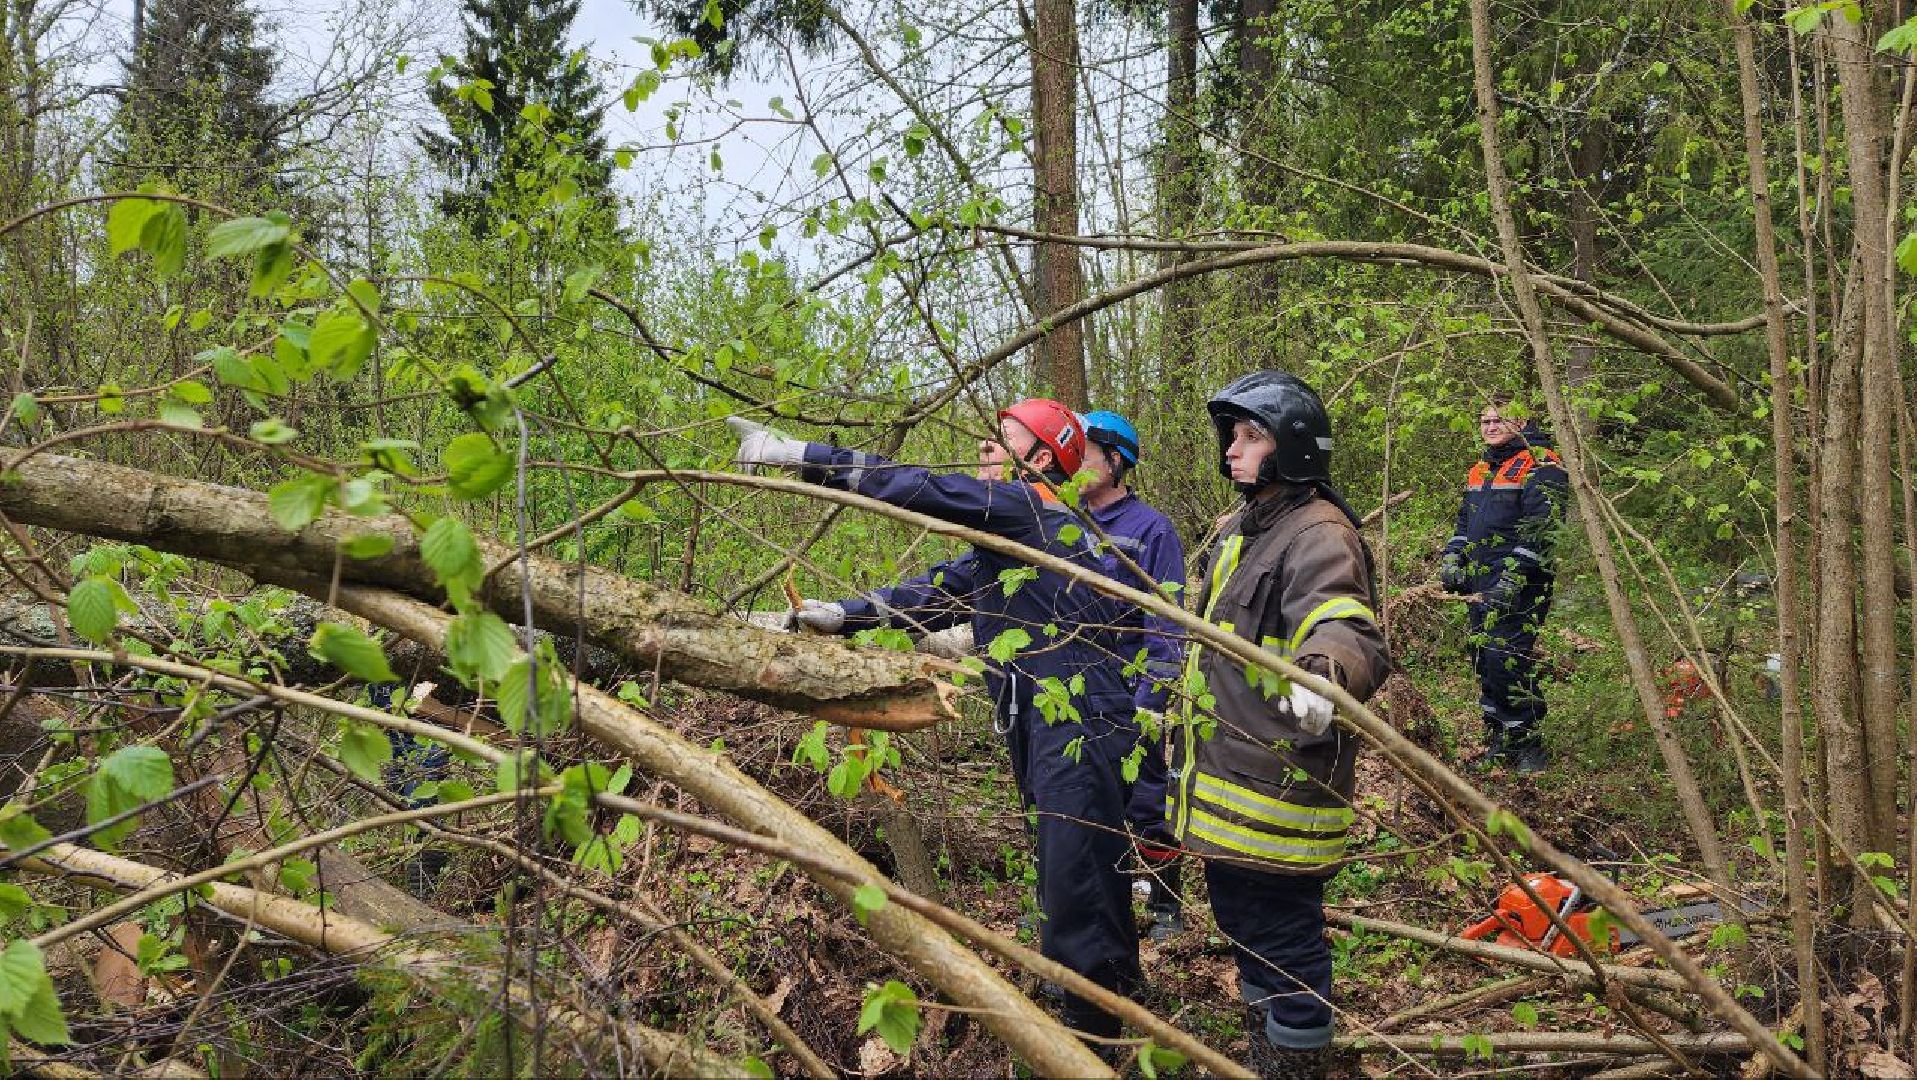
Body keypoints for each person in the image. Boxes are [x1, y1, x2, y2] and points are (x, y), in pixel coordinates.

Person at [727, 400, 1144, 1044]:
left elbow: (923, 488)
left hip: (1079, 722)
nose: (984, 447)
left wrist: (802, 457)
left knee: (1076, 871)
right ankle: (1105, 992)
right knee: (1078, 864)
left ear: (1037, 459)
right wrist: (841, 614)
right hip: (1051, 718)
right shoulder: (1012, 536)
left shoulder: (1032, 509)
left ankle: (1092, 1033)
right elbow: (935, 592)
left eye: (1002, 439)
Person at [1166, 371, 1388, 1078]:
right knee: (1246, 928)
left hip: (1281, 784)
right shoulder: (1239, 526)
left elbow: (1344, 623)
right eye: (1231, 435)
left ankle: (1295, 1064)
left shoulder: (1320, 532)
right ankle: (1268, 1054)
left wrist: (1322, 677)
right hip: (1228, 775)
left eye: (1250, 435)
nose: (1233, 449)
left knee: (1285, 941)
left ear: (1290, 446)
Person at [1076, 409, 1189, 943]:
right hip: (1073, 689)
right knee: (1082, 801)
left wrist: (1153, 696)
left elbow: (1166, 620)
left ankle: (1167, 903)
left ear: (1117, 460)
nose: (1077, 460)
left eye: (1089, 451)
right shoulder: (1064, 519)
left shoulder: (1151, 529)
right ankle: (1097, 899)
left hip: (1130, 688)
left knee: (1145, 799)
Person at [1438, 399, 1569, 774]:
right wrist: (1453, 558)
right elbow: (1464, 525)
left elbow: (1544, 529)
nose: (1491, 426)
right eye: (1485, 420)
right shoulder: (1480, 470)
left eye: (1500, 420)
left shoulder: (1541, 463)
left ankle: (1529, 743)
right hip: (1481, 582)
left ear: (1521, 421)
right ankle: (1499, 736)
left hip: (1523, 583)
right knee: (1483, 656)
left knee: (1505, 657)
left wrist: (1513, 577)